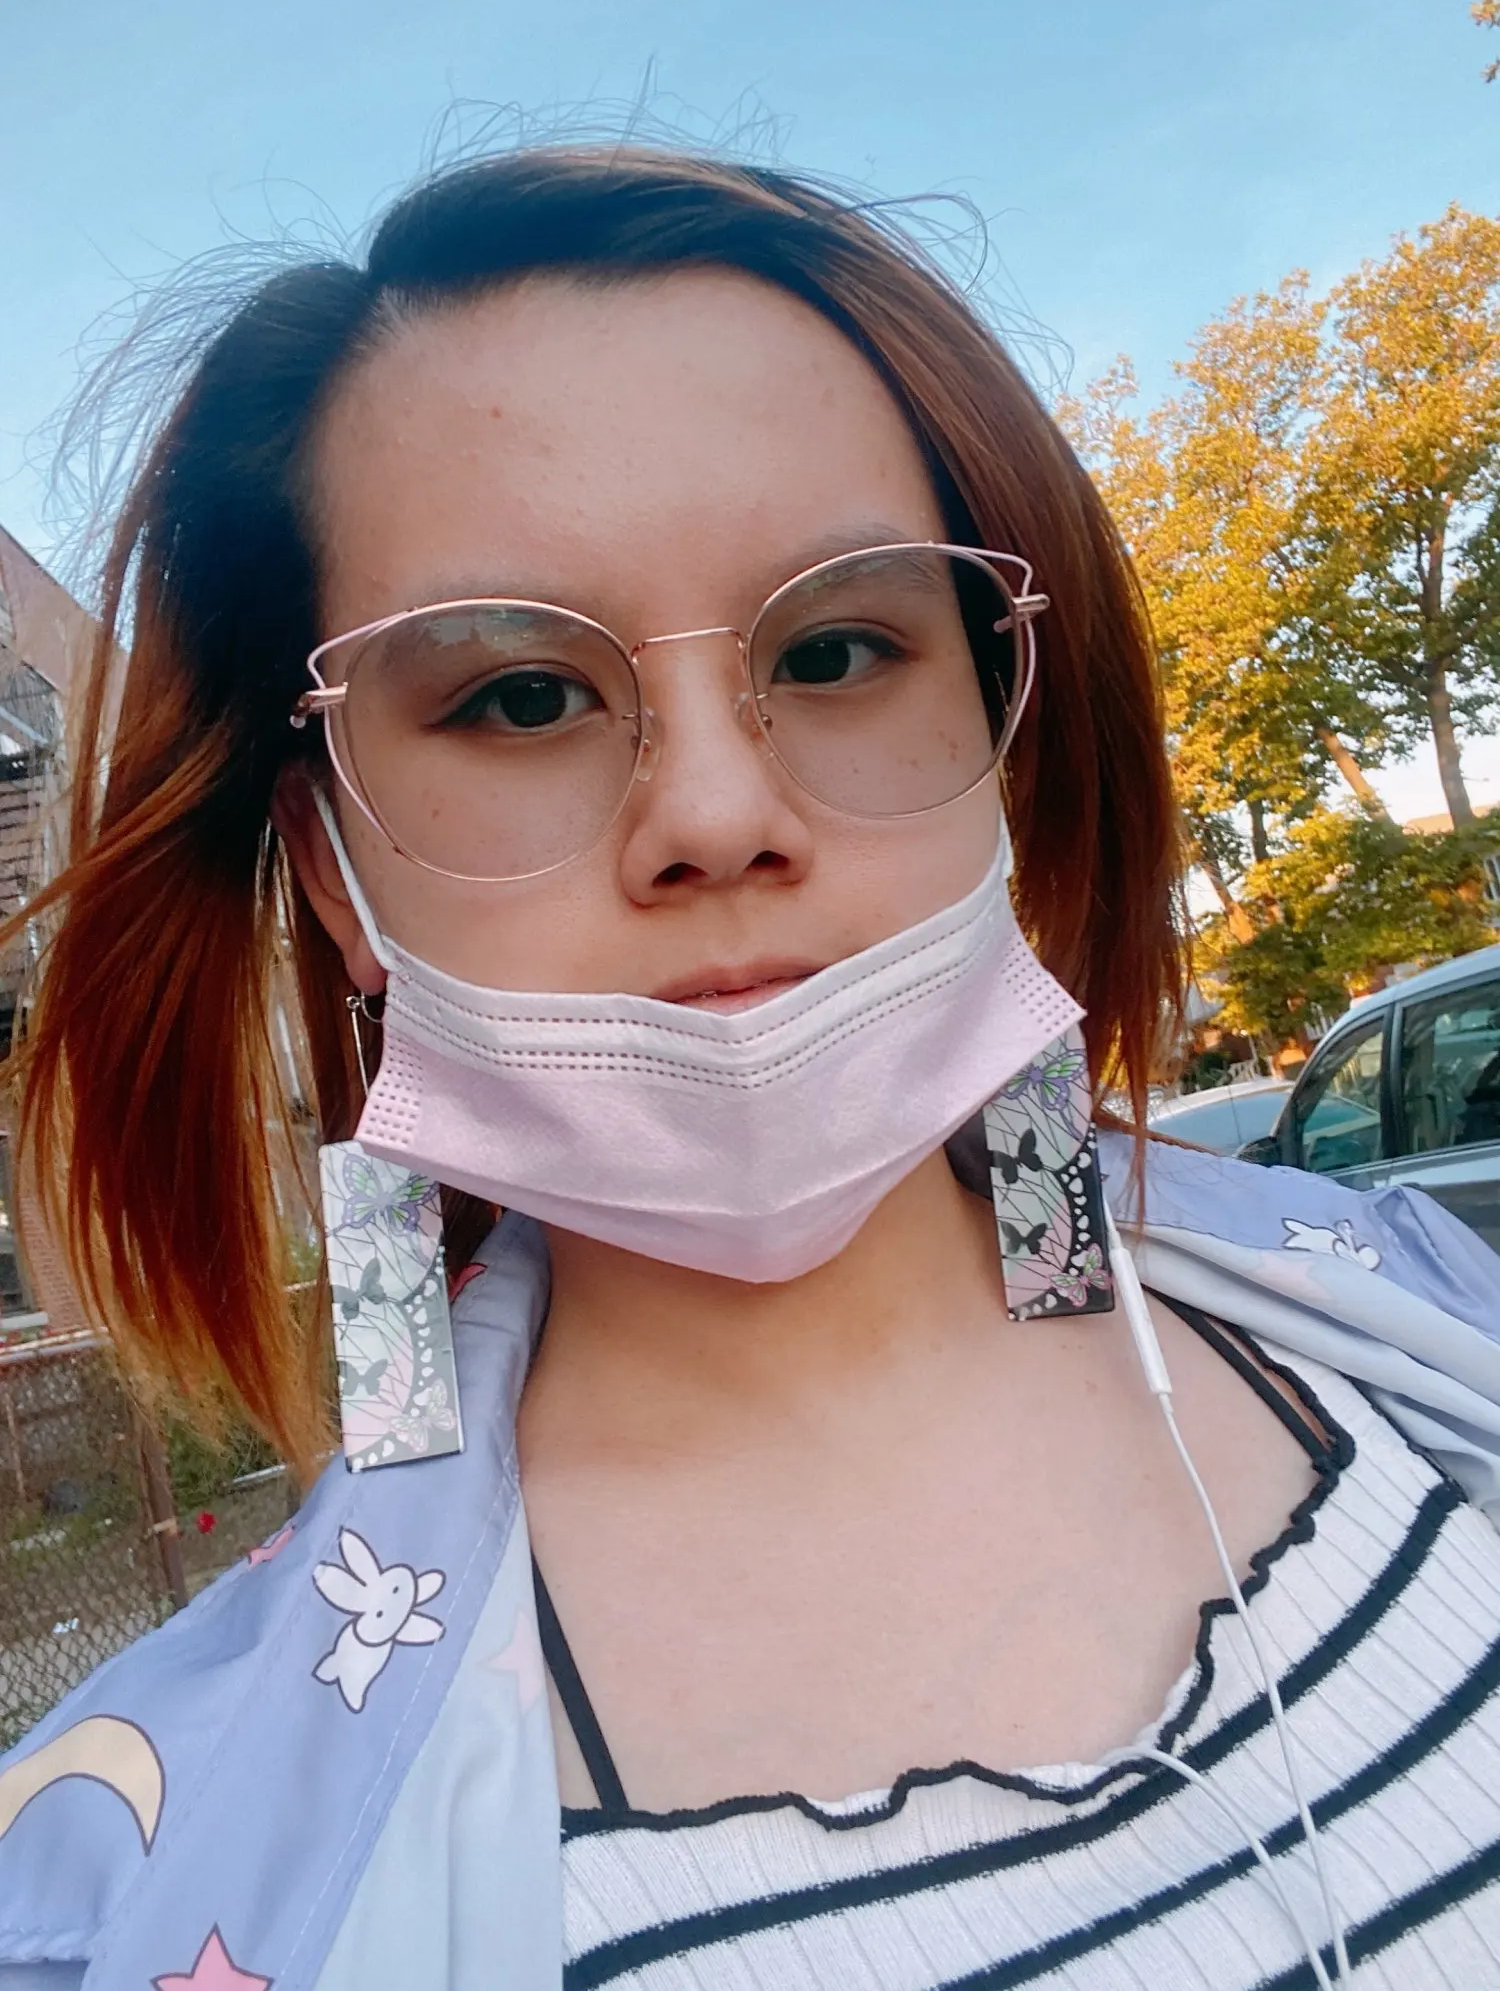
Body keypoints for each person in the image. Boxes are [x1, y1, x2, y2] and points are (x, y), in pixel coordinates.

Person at [2, 144, 1500, 1991]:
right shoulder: (133, 1882)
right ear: (329, 863)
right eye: (522, 695)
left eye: (843, 647)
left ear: (1005, 740)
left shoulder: (1430, 1322)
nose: (717, 813)